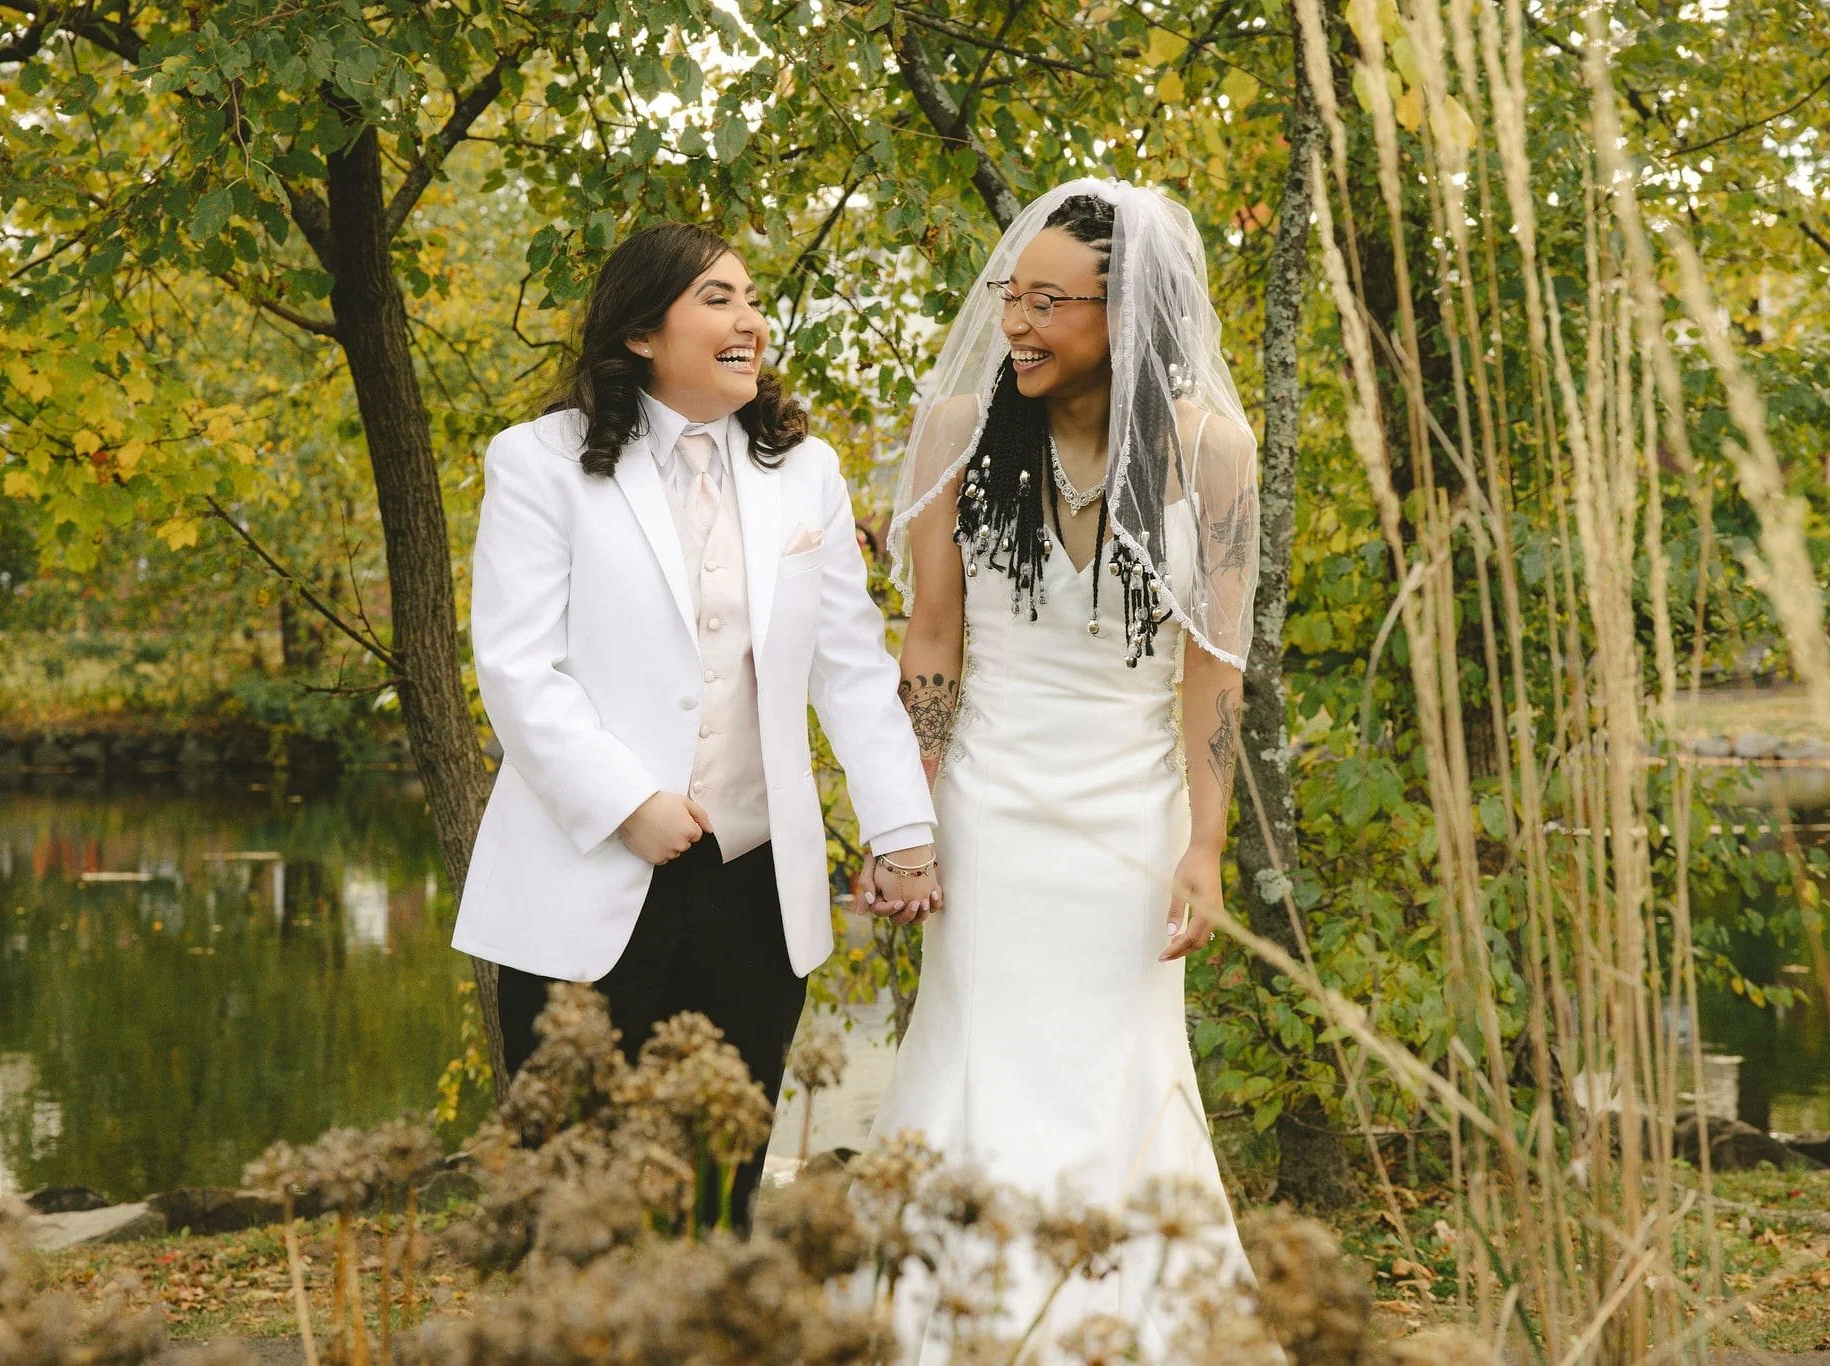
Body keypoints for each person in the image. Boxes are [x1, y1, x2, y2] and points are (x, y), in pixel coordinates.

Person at [453, 223, 940, 1228]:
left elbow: (850, 668)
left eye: (751, 299)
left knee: (722, 1191)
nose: (749, 320)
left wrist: (900, 830)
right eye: (718, 299)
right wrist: (627, 802)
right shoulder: (538, 462)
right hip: (586, 872)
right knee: (574, 1195)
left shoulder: (803, 470)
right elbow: (517, 665)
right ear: (641, 331)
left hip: (755, 888)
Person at [867, 180, 1264, 1354]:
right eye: (1010, 295)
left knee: (1122, 1076)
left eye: (1048, 302)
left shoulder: (1211, 450)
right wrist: (906, 819)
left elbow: (1213, 672)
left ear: (1126, 311)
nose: (1016, 323)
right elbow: (931, 635)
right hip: (985, 815)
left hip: (1131, 826)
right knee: (972, 1062)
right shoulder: (956, 432)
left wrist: (1204, 845)